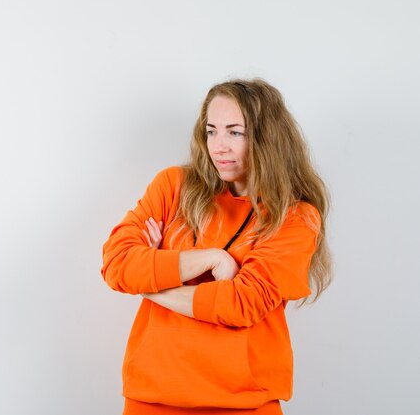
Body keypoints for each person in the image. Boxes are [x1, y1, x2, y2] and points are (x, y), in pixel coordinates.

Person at [101, 78, 332, 415]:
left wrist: (152, 284)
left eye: (234, 132)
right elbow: (116, 263)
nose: (218, 146)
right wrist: (209, 259)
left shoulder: (295, 217)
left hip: (244, 403)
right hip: (152, 398)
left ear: (267, 138)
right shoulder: (173, 187)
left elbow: (241, 303)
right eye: (212, 131)